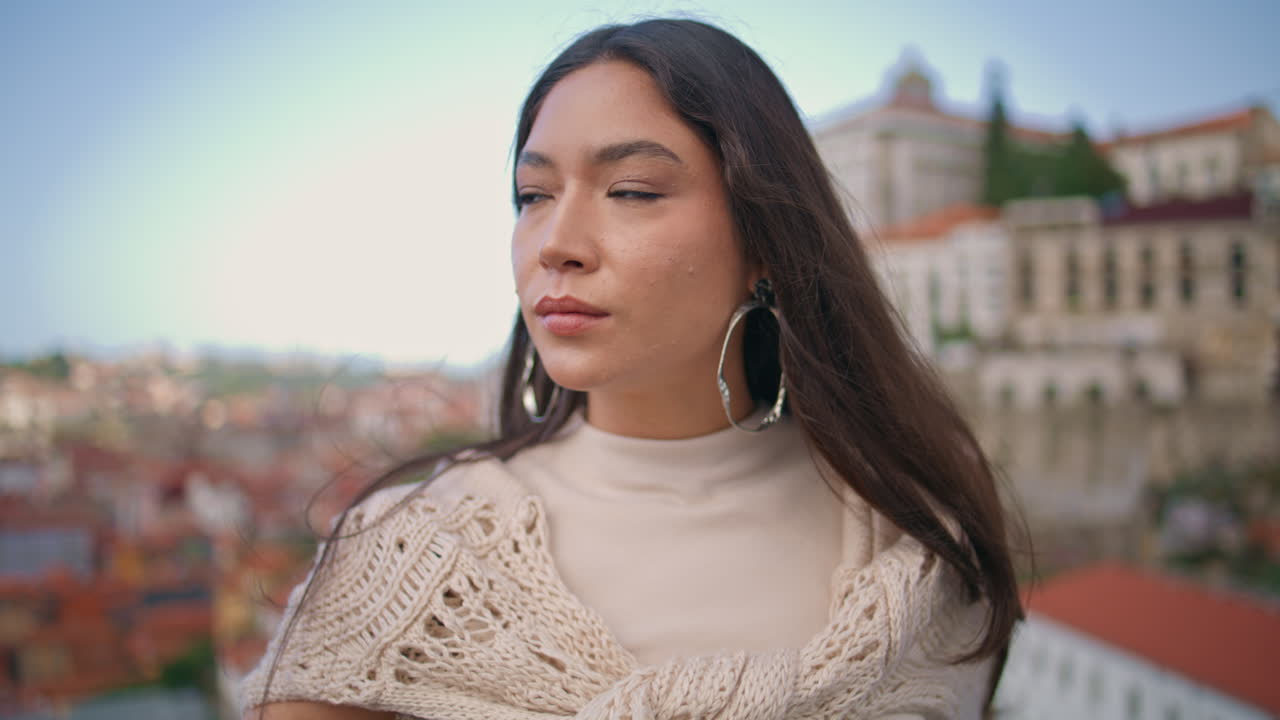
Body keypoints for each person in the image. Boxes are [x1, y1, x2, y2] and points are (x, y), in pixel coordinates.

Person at [241, 18, 1023, 720]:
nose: (557, 243)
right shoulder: (412, 559)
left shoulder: (917, 543)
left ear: (764, 240)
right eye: (533, 195)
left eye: (631, 190)